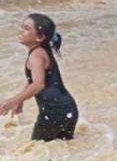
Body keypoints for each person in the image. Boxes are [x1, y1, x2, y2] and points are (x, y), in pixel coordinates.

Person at [0, 13, 78, 142]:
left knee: (35, 149)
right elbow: (35, 80)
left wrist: (12, 101)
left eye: (27, 28)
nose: (21, 31)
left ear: (40, 37)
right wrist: (21, 100)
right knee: (60, 151)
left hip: (53, 112)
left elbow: (38, 84)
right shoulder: (41, 52)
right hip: (68, 109)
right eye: (22, 27)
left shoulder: (36, 55)